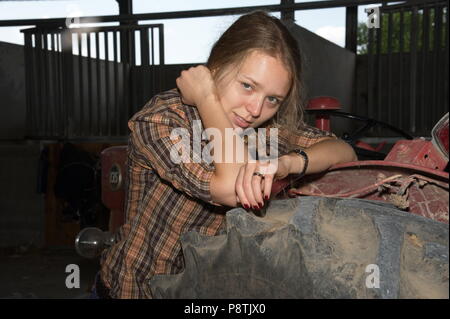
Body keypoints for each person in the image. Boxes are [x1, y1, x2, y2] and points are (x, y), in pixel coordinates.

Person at [97, 11, 357, 299]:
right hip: (138, 292)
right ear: (216, 67)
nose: (256, 109)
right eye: (247, 86)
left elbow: (344, 152)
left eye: (273, 99)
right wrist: (207, 98)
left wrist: (287, 162)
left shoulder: (266, 130)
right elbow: (234, 187)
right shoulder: (164, 119)